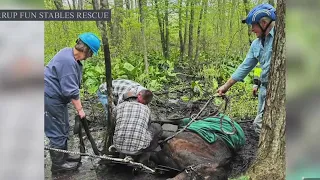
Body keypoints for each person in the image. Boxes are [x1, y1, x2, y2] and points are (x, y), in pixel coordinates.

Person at [44, 32, 101, 174]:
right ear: (86, 49)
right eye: (91, 53)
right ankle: (58, 165)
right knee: (57, 131)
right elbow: (71, 91)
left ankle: (64, 157)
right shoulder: (68, 61)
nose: (90, 57)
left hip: (56, 97)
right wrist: (80, 110)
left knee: (63, 128)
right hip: (49, 97)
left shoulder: (67, 53)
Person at [217, 3, 276, 134]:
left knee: (260, 124)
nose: (251, 30)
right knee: (264, 124)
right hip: (263, 90)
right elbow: (245, 66)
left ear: (264, 22)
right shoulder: (256, 44)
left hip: (277, 91)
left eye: (253, 26)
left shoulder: (280, 37)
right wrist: (225, 87)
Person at [111, 93, 162, 165]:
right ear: (136, 98)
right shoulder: (146, 108)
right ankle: (146, 155)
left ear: (125, 99)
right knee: (157, 127)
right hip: (138, 149)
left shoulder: (119, 107)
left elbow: (114, 123)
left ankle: (121, 151)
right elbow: (148, 124)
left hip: (117, 146)